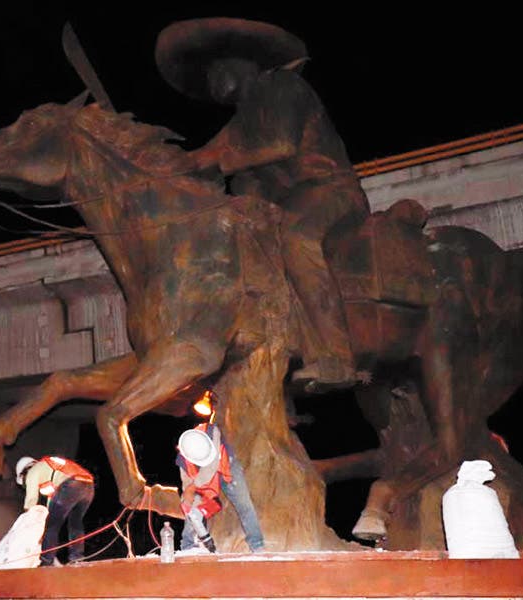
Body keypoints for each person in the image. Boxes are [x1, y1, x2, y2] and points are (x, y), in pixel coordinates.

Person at [155, 18, 371, 391]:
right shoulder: (242, 120)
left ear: (242, 62)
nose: (211, 80)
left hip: (329, 190)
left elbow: (280, 144)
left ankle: (336, 356)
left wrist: (220, 163)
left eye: (216, 69)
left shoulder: (282, 86)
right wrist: (160, 166)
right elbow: (203, 154)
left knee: (296, 239)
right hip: (287, 204)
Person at [177, 422, 265, 552]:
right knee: (191, 507)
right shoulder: (184, 461)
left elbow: (211, 467)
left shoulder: (212, 431)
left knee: (244, 504)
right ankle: (188, 545)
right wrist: (190, 501)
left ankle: (257, 545)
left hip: (228, 467)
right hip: (201, 479)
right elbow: (189, 491)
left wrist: (192, 487)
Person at [15, 455, 95, 567]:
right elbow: (52, 501)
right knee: (75, 523)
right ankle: (77, 558)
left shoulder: (32, 472)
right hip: (88, 485)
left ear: (23, 473)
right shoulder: (47, 470)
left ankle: (46, 560)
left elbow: (31, 499)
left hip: (71, 485)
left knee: (51, 525)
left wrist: (27, 518)